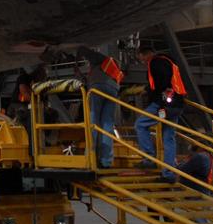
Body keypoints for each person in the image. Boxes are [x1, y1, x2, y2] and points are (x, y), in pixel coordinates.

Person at [133, 49, 186, 181]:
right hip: (176, 104)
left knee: (140, 124)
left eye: (141, 58)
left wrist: (152, 94)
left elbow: (161, 82)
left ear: (147, 54)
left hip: (162, 105)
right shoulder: (170, 62)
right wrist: (147, 90)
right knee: (169, 137)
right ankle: (168, 173)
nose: (142, 61)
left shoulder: (155, 62)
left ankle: (149, 158)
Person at [77, 45, 123, 169]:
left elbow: (84, 50)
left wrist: (75, 51)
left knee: (93, 122)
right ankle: (106, 161)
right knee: (107, 124)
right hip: (113, 91)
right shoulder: (112, 69)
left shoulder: (100, 59)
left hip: (98, 89)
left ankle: (90, 157)